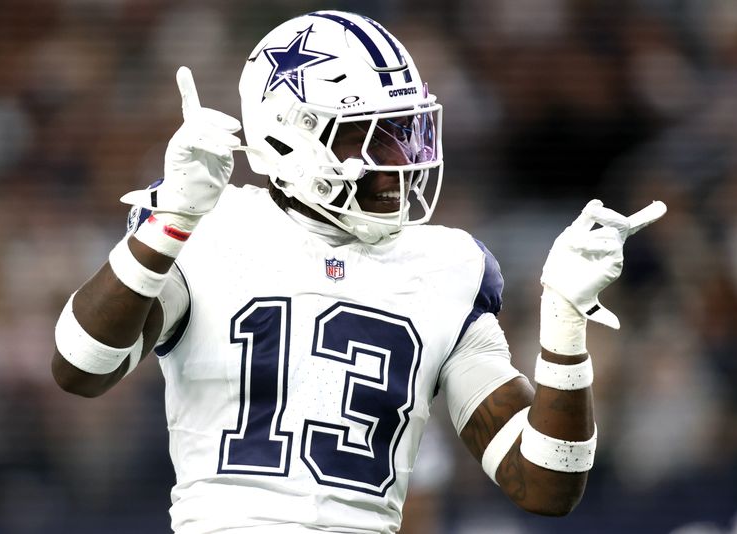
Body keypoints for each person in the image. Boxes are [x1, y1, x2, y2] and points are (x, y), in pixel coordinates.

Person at [51, 10, 666, 534]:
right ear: (290, 137)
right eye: (368, 135)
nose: (401, 158)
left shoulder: (449, 266)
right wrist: (169, 224)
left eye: (404, 131)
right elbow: (81, 368)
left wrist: (564, 319)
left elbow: (545, 483)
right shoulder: (208, 223)